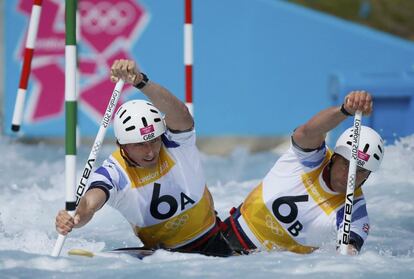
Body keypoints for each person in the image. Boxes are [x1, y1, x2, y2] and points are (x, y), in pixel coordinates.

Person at [55, 59, 233, 257]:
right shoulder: (113, 173)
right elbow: (89, 203)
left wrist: (140, 81)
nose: (150, 151)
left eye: (154, 141)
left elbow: (181, 114)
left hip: (213, 241)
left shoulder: (175, 143)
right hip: (163, 257)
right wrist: (74, 215)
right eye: (139, 145)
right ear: (122, 146)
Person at [222, 90, 384, 256]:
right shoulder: (310, 158)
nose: (350, 175)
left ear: (368, 176)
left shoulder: (355, 213)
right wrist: (345, 110)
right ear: (334, 158)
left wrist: (347, 251)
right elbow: (308, 131)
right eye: (345, 164)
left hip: (266, 268)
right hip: (225, 238)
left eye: (360, 170)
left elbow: (347, 255)